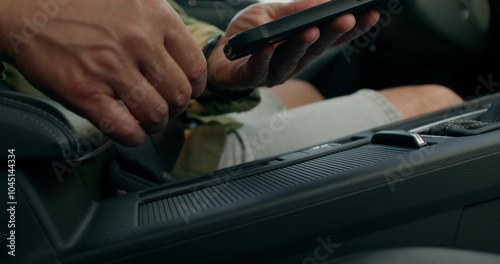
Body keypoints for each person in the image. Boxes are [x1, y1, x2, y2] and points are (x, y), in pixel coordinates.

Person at [0, 0, 463, 181]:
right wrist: (20, 17)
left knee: (306, 92)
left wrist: (209, 57)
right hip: (77, 177)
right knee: (438, 106)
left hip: (155, 132)